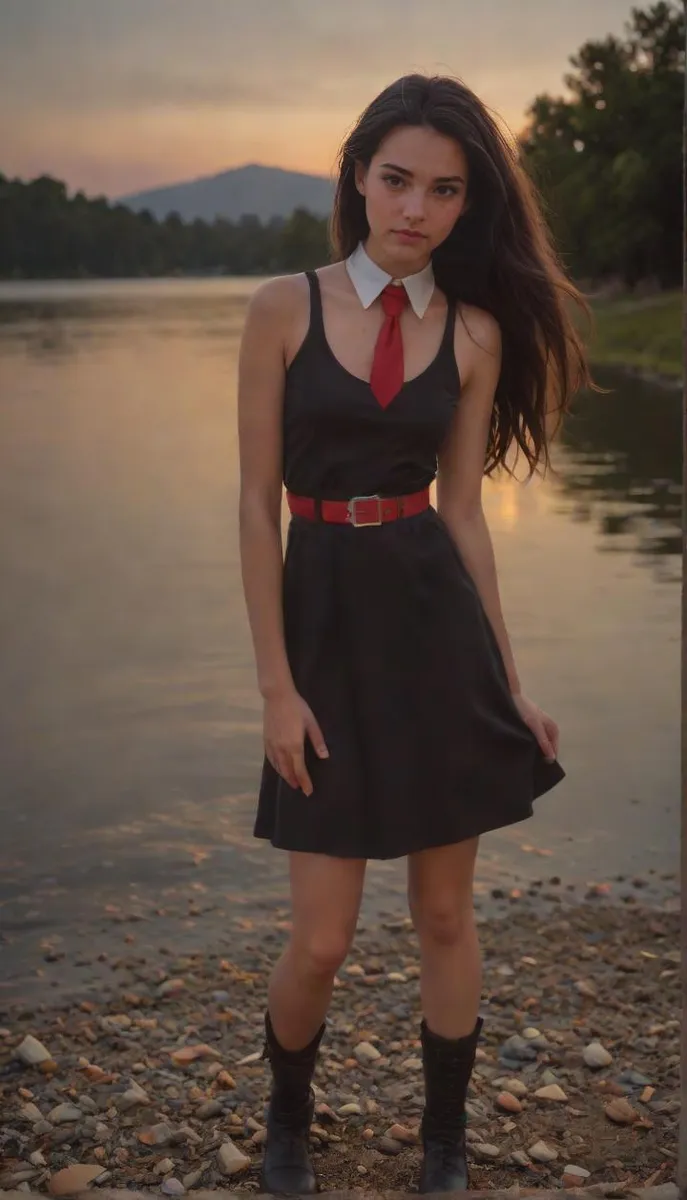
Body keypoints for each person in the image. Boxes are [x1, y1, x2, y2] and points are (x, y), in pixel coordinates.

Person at [237, 72, 594, 1195]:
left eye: (444, 191)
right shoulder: (280, 308)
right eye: (397, 180)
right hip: (325, 638)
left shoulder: (477, 333)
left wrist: (509, 679)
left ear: (463, 206)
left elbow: (466, 514)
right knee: (324, 940)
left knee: (445, 914)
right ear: (356, 175)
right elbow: (254, 507)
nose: (416, 209)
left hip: (437, 639)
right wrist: (274, 692)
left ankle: (446, 1145)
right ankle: (290, 1119)